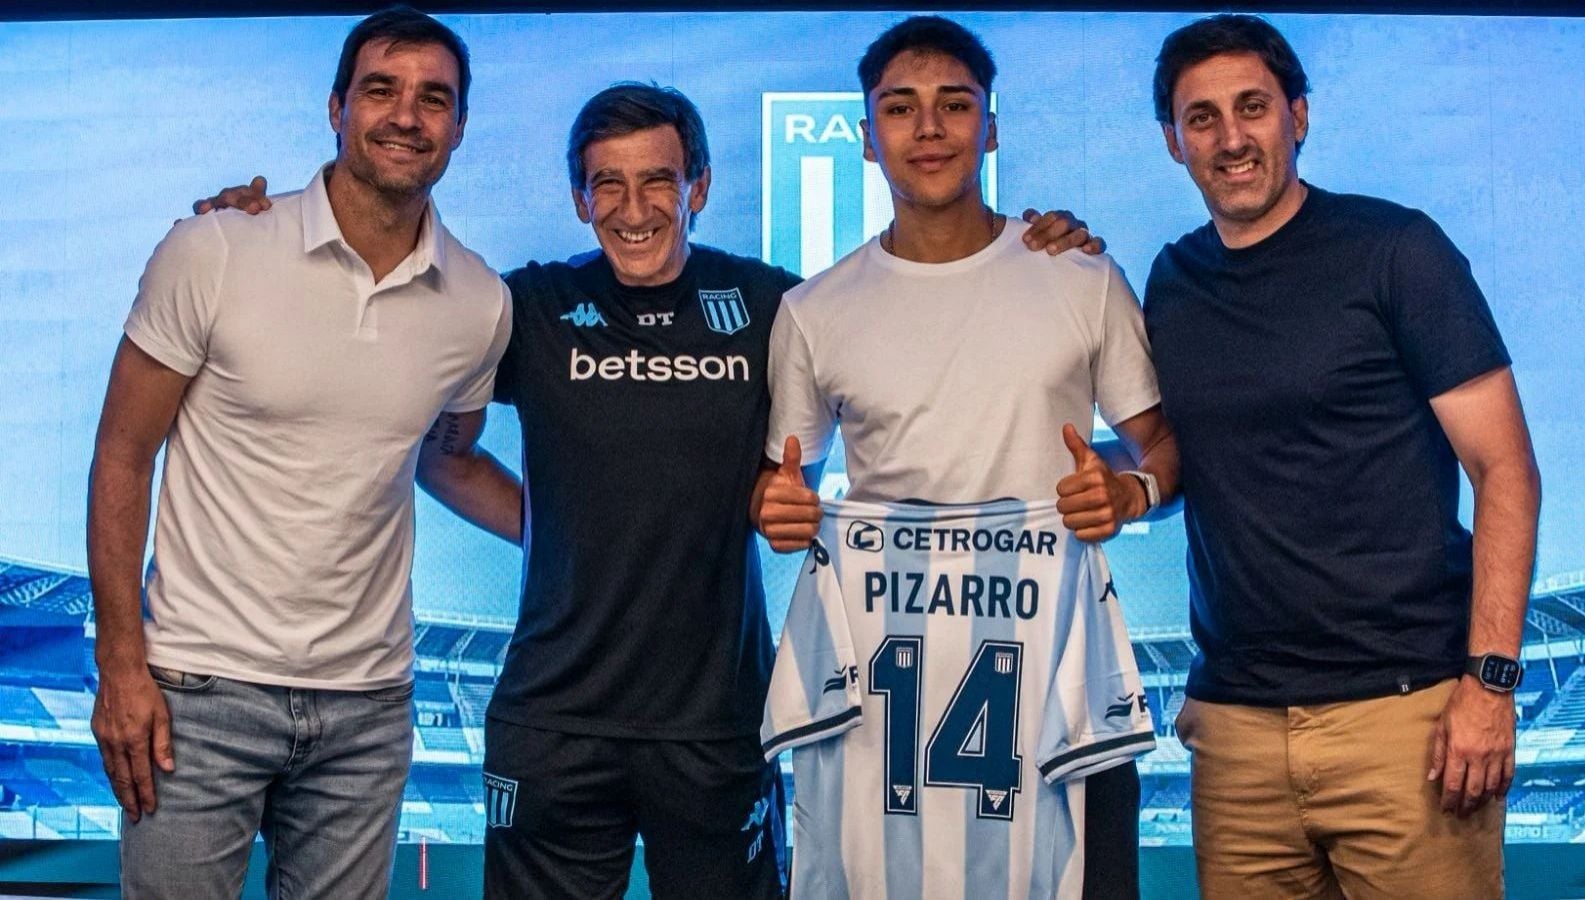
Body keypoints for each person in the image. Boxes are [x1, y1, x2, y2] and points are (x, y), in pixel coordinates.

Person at [198, 79, 1094, 897]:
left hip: (716, 722)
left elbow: (919, 312)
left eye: (658, 181)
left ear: (698, 186)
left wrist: (1029, 249)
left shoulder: (773, 307)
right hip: (555, 719)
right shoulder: (529, 308)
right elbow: (442, 451)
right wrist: (260, 237)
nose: (634, 210)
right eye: (608, 186)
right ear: (579, 198)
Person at [88, 8, 514, 898]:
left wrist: (593, 535)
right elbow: (124, 454)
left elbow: (446, 457)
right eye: (381, 90)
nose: (407, 116)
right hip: (198, 690)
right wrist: (121, 666)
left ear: (462, 126)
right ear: (335, 107)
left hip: (367, 707)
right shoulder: (216, 248)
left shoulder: (478, 303)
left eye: (434, 99)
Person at [756, 16, 1179, 899]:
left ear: (991, 128)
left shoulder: (1080, 276)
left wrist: (1133, 492)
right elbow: (785, 484)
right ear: (866, 137)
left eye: (954, 105)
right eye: (899, 108)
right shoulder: (815, 310)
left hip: (1059, 682)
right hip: (889, 701)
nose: (929, 128)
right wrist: (779, 510)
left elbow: (1166, 449)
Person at [1144, 14, 1541, 898]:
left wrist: (1490, 684)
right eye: (1202, 117)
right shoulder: (1172, 281)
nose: (1231, 137)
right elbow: (1181, 454)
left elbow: (1505, 470)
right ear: (1174, 141)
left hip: (1407, 721)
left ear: (1299, 115)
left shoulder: (1396, 250)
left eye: (1253, 107)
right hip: (1236, 735)